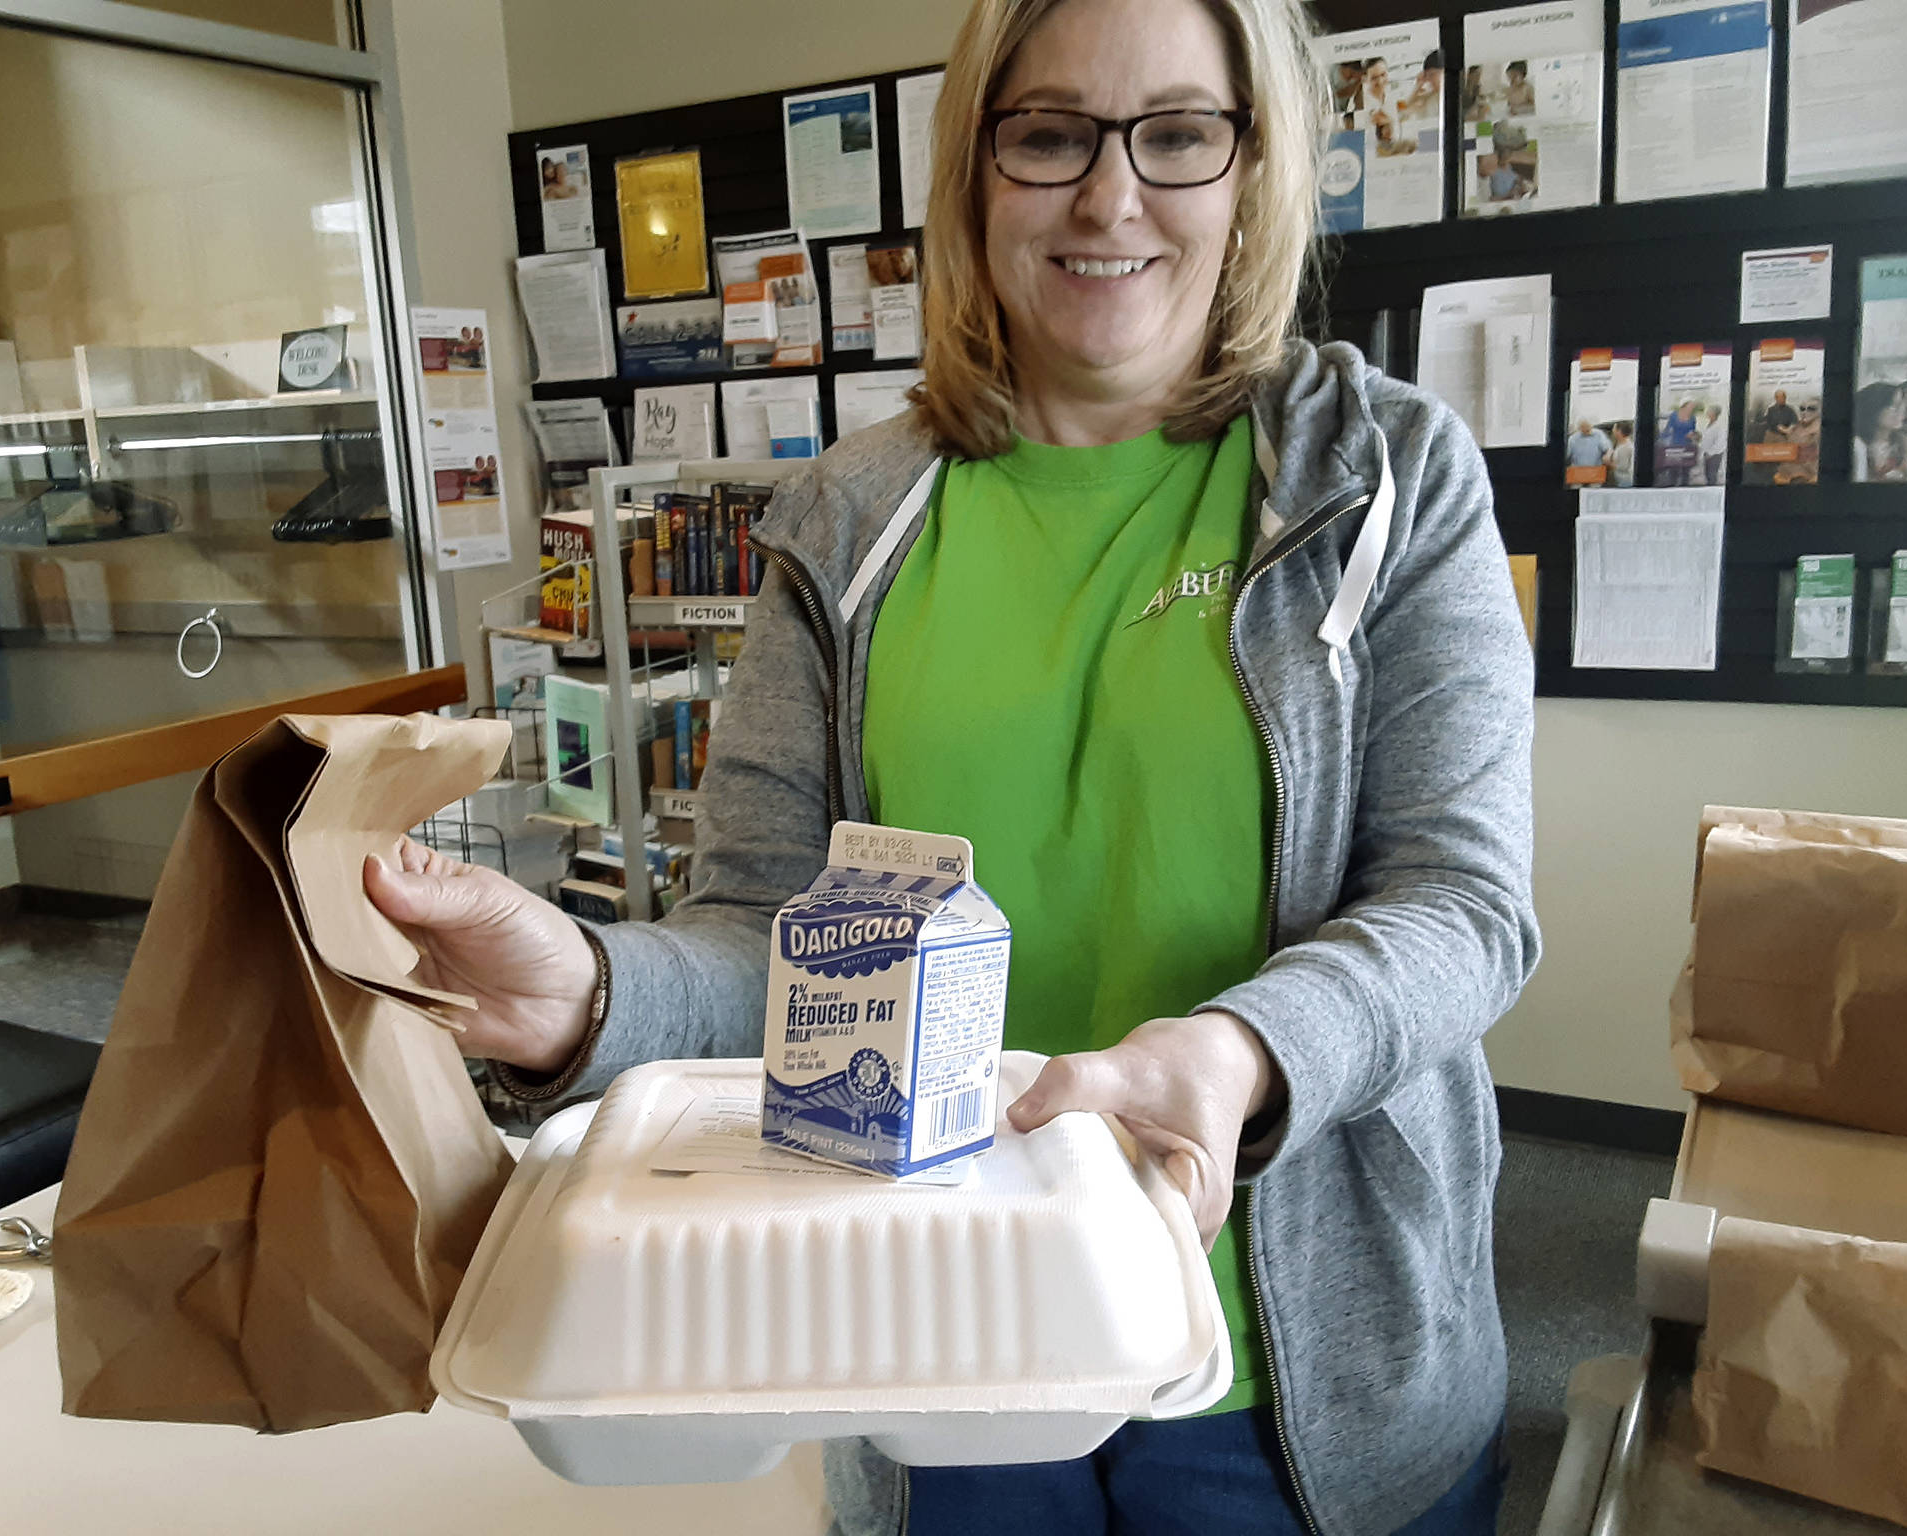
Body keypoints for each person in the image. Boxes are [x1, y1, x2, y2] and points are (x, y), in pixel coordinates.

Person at [366, 0, 1535, 1532]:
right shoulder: (847, 522)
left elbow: (1462, 907)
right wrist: (587, 996)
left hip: (1294, 1377)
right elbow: (763, 946)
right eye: (1050, 134)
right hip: (943, 1344)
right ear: (975, 169)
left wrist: (1235, 1062)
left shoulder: (1384, 478)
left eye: (1178, 134)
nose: (1111, 199)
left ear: (1255, 168)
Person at [1853, 378, 1907, 482]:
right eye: (1893, 406)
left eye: (1902, 405)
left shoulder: (1904, 443)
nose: (1901, 411)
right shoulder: (1858, 445)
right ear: (1875, 409)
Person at [1701, 402, 1728, 486]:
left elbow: (1720, 442)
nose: (1707, 412)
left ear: (1714, 413)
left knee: (1712, 475)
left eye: (1709, 411)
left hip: (1715, 455)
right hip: (1707, 454)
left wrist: (1711, 453)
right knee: (1707, 475)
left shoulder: (1719, 426)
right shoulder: (1709, 424)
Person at [1609, 421, 1636, 487]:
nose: (1613, 431)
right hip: (1621, 480)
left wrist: (1609, 463)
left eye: (1614, 429)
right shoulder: (1620, 444)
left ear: (1619, 432)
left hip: (1624, 482)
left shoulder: (1626, 447)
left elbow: (1622, 467)